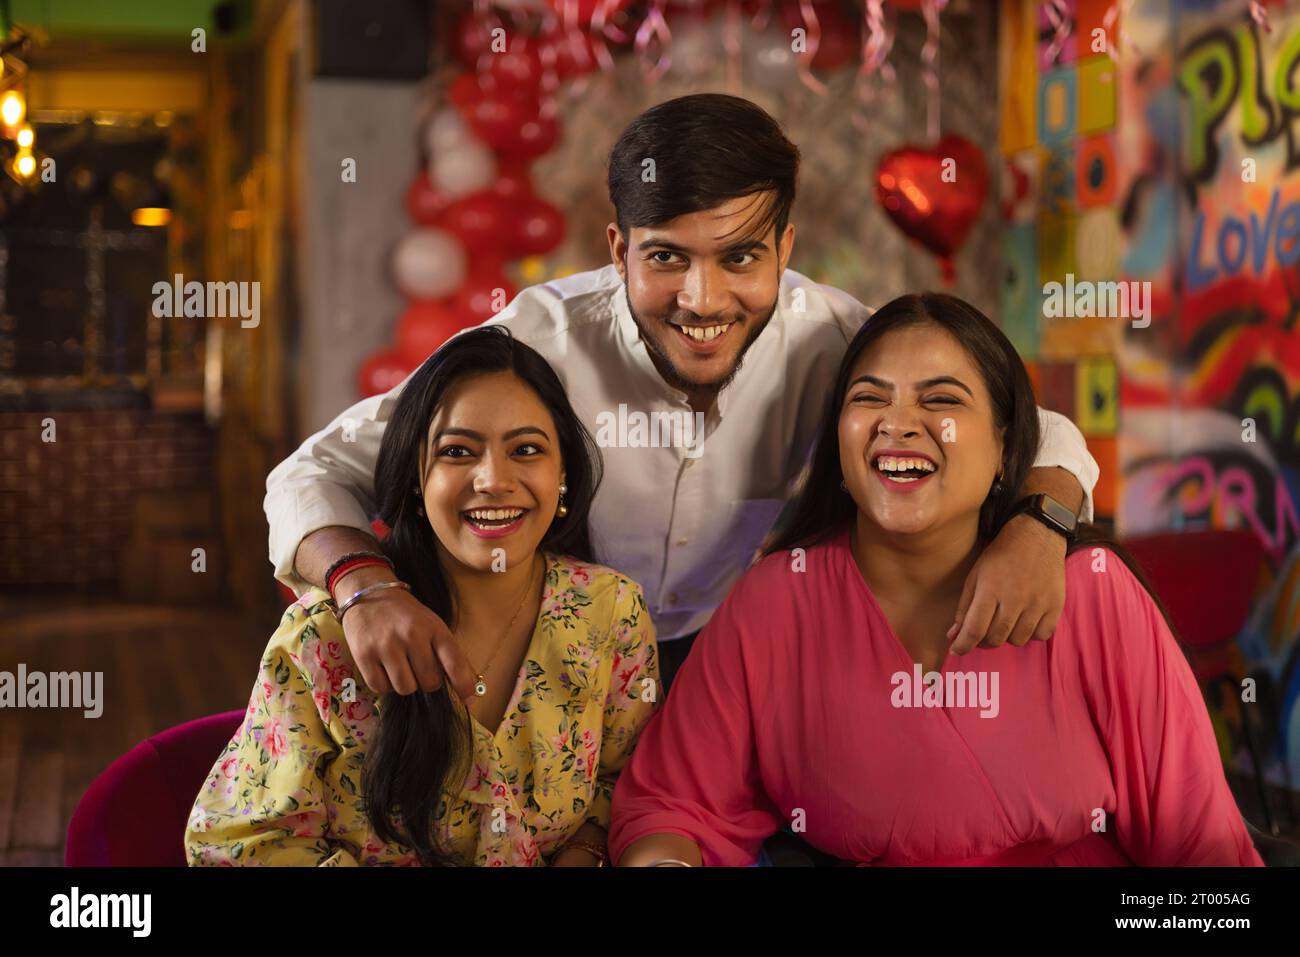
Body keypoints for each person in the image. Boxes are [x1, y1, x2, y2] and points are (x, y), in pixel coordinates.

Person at [264, 93, 1098, 701]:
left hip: (736, 652)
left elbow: (1046, 432)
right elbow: (310, 474)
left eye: (740, 257)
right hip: (542, 653)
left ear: (786, 249)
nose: (703, 300)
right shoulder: (535, 340)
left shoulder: (844, 344)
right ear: (620, 248)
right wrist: (366, 586)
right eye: (666, 258)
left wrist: (1039, 525)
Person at [608, 293, 1264, 868]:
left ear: (1009, 449)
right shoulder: (777, 602)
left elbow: (1202, 848)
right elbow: (671, 803)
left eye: (941, 399)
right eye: (869, 398)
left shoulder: (1091, 592)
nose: (899, 422)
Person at [187, 328, 658, 866]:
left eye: (526, 450)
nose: (493, 480)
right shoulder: (324, 638)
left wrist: (584, 851)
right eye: (458, 451)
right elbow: (237, 849)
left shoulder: (611, 611)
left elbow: (626, 785)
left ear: (565, 475)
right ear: (415, 477)